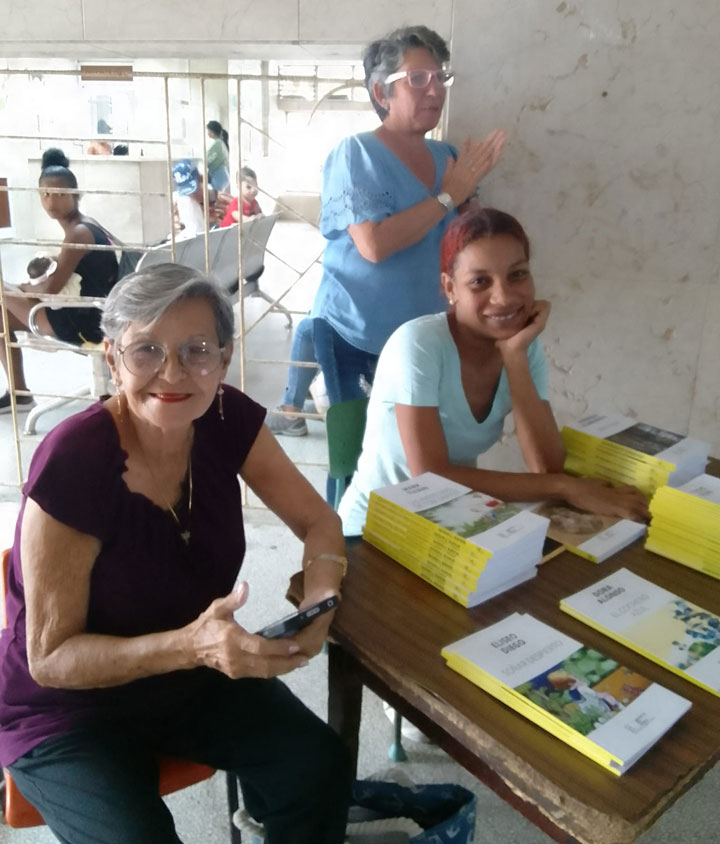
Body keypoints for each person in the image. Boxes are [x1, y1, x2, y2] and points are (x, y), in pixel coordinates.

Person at [0, 263, 351, 843]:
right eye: (146, 351)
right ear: (112, 358)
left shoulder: (224, 416)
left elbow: (318, 520)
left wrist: (322, 596)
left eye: (196, 349)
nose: (172, 372)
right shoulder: (76, 460)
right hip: (67, 709)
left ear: (225, 357)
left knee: (318, 766)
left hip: (188, 676)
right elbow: (51, 658)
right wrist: (191, 645)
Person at [339, 208, 649, 536]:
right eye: (479, 282)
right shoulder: (419, 344)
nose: (502, 297)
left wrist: (514, 357)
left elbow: (545, 466)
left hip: (451, 526)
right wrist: (565, 487)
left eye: (517, 275)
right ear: (450, 288)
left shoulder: (522, 345)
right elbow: (429, 477)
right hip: (372, 533)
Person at [268, 24, 506, 439]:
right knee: (358, 457)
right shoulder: (356, 153)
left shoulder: (447, 155)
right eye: (417, 79)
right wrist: (450, 196)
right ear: (381, 94)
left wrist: (470, 207)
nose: (434, 90)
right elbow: (374, 245)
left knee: (417, 455)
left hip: (427, 332)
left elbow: (469, 243)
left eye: (439, 78)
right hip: (356, 333)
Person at [0, 148, 119, 414]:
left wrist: (23, 288)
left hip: (85, 322)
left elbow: (52, 291)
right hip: (96, 312)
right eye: (46, 194)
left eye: (60, 194)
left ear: (76, 196)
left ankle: (19, 394)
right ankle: (19, 395)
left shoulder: (78, 233)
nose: (52, 201)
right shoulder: (87, 225)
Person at [172, 159, 230, 237]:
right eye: (186, 193)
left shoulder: (222, 199)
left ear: (202, 179)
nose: (191, 195)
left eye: (193, 190)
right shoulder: (180, 208)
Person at [206, 120, 231, 192]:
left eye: (208, 130)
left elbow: (207, 160)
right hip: (222, 176)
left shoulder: (217, 144)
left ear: (212, 132)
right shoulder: (220, 143)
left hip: (219, 176)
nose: (208, 133)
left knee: (217, 200)